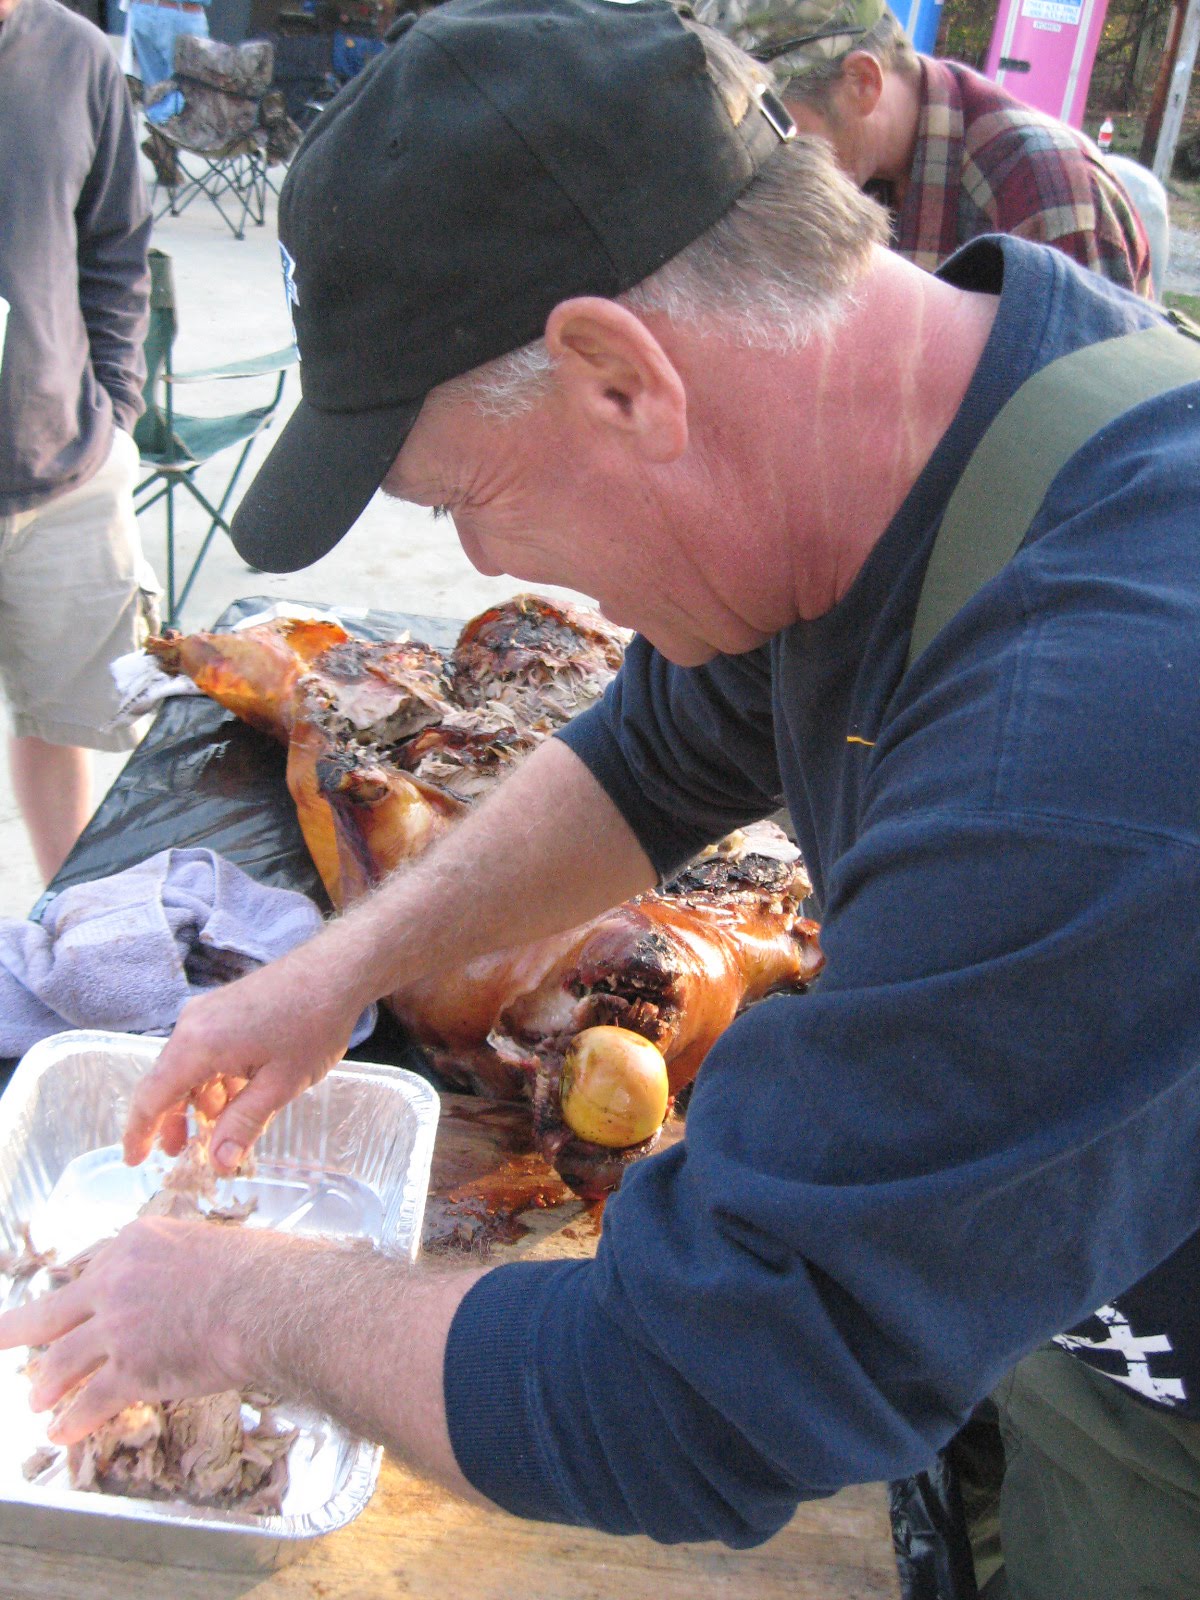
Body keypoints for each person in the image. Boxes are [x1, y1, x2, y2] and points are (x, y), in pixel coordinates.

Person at [3, 3, 1200, 1594]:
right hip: (1059, 1315)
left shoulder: (1087, 737)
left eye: (464, 502)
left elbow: (702, 1391)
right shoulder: (937, 436)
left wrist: (233, 1304)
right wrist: (329, 975)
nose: (479, 568)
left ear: (621, 377)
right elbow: (657, 750)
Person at [0, 0, 155, 884]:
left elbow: (115, 244)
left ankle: (70, 917)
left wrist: (117, 413)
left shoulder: (76, 53)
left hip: (64, 471)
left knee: (64, 723)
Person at [696, 0, 1154, 297]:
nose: (761, 150)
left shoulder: (1042, 190)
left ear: (862, 82)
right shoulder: (855, 164)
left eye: (775, 120)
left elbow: (1093, 431)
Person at [128, 0, 209, 124]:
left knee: (156, 96)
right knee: (189, 98)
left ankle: (158, 134)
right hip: (181, 13)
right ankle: (166, 135)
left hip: (142, 10)